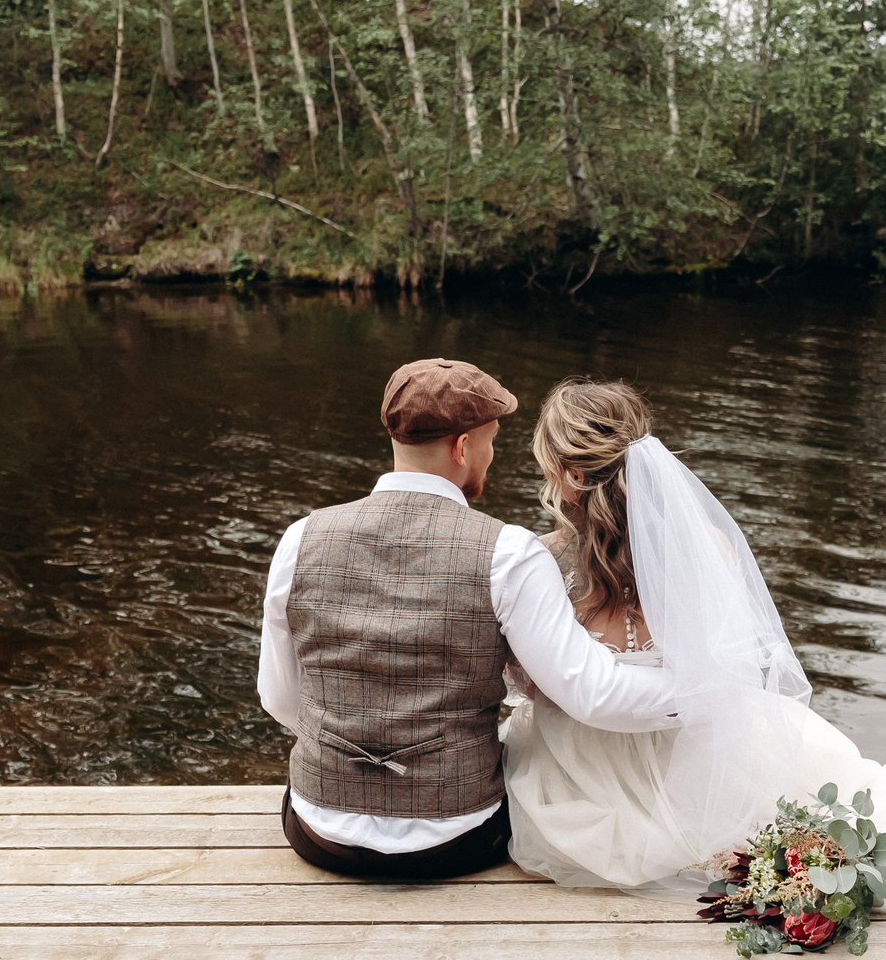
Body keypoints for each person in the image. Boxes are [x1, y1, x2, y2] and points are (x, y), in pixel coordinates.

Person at [501, 378, 886, 901]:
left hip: (581, 774)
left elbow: (536, 684)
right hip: (696, 759)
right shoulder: (705, 548)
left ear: (569, 473)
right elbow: (732, 663)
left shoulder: (544, 563)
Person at [256, 358, 682, 880]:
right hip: (457, 838)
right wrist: (706, 692)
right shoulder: (510, 552)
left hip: (319, 833)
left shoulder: (300, 539)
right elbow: (591, 694)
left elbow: (279, 698)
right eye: (491, 441)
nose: (492, 456)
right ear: (462, 448)